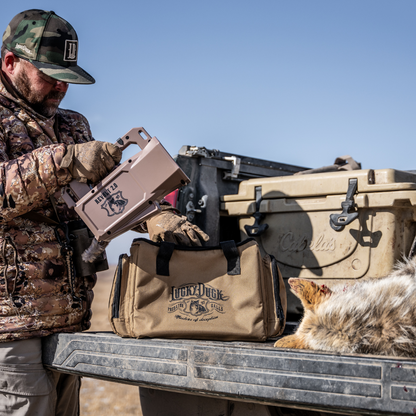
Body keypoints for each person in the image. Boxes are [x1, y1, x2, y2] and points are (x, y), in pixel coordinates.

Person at [0, 9, 208, 416]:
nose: (60, 87)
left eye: (67, 77)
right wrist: (66, 161)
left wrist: (156, 215)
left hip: (70, 321)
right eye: (50, 75)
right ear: (10, 62)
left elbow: (111, 191)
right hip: (10, 329)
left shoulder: (72, 124)